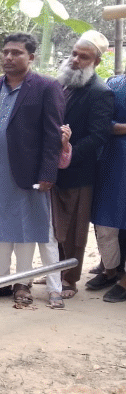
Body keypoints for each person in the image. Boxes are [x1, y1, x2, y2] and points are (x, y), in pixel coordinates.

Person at [0, 32, 65, 306]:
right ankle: (1, 281)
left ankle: (22, 283)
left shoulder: (46, 86)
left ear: (31, 57)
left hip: (27, 172)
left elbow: (53, 134)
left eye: (16, 52)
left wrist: (48, 172)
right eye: (6, 52)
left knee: (26, 229)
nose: (9, 57)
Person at [51, 30, 113, 299]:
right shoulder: (62, 84)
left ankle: (70, 279)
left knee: (75, 230)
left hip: (78, 172)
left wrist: (68, 151)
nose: (75, 59)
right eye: (74, 53)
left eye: (83, 56)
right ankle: (56, 271)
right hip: (53, 171)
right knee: (55, 226)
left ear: (96, 62)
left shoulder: (100, 92)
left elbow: (98, 136)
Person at [89, 74, 126, 302]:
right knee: (105, 221)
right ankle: (110, 270)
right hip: (112, 161)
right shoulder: (113, 82)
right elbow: (101, 120)